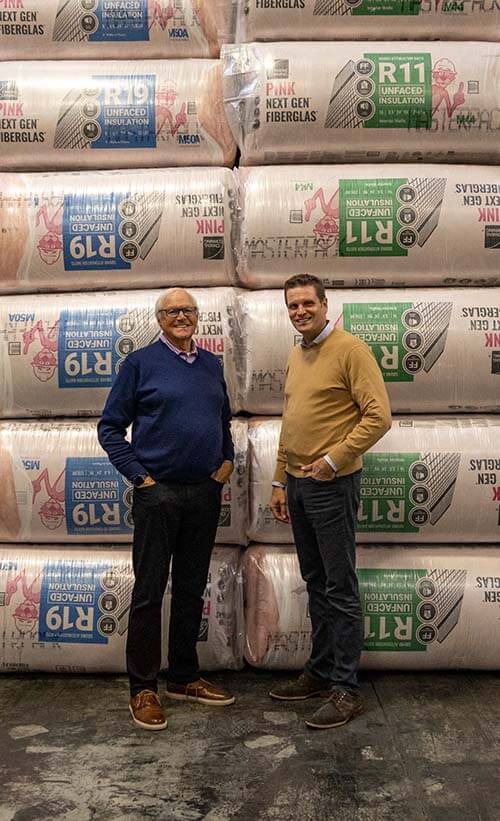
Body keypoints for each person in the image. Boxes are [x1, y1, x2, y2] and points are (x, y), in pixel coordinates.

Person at [98, 288, 235, 731]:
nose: (181, 316)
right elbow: (110, 428)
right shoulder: (138, 364)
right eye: (173, 311)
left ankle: (183, 676)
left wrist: (226, 462)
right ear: (159, 319)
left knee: (192, 588)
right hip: (158, 496)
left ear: (197, 318)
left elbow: (222, 420)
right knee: (149, 591)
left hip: (204, 493)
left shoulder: (212, 365)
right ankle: (143, 687)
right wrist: (141, 478)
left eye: (188, 310)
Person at [269, 274, 391, 729]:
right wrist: (281, 480)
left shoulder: (350, 350)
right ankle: (320, 672)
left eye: (307, 304)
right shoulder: (297, 355)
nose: (300, 312)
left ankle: (345, 688)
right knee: (316, 581)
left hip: (330, 485)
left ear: (325, 304)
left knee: (340, 587)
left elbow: (379, 415)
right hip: (299, 486)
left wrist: (334, 459)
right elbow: (290, 422)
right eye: (292, 306)